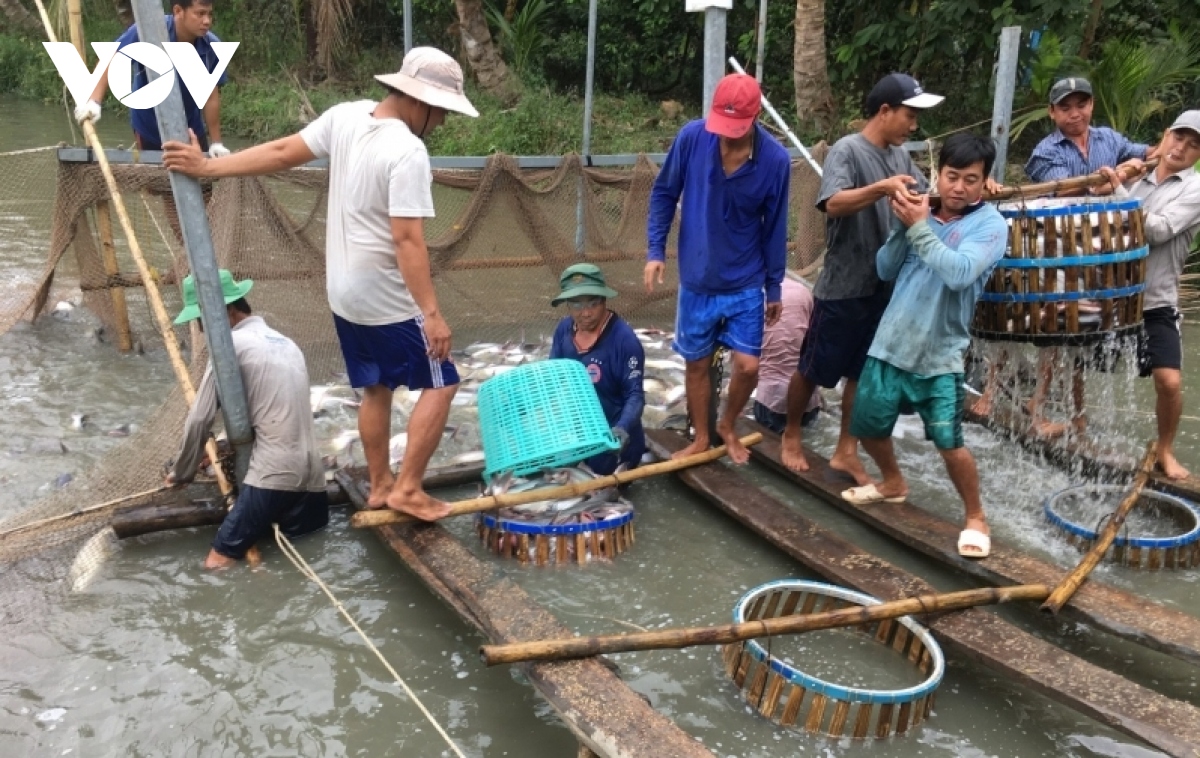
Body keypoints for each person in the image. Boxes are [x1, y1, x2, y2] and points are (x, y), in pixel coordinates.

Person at [163, 46, 478, 520]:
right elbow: (408, 240)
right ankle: (408, 489)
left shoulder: (346, 117)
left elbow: (282, 152)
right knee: (442, 381)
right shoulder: (408, 152)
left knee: (376, 389)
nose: (443, 124)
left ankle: (380, 485)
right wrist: (431, 314)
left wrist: (208, 166)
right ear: (422, 102)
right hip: (385, 296)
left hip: (344, 294)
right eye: (443, 113)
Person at [843, 133, 1008, 559]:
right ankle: (893, 482)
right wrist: (903, 230)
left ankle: (975, 517)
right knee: (867, 425)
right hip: (891, 342)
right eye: (952, 176)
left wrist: (918, 227)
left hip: (940, 354)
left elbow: (959, 273)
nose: (958, 187)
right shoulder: (923, 211)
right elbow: (884, 269)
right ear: (939, 173)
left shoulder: (991, 225)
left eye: (971, 180)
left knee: (948, 442)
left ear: (985, 182)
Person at [780, 73, 943, 481]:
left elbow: (930, 200)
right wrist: (882, 188)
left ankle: (845, 450)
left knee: (862, 372)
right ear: (884, 111)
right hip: (843, 284)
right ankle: (791, 433)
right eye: (909, 115)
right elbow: (832, 203)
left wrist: (973, 190)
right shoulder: (847, 151)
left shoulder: (901, 157)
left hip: (885, 287)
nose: (913, 125)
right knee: (814, 367)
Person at [644, 73, 790, 465]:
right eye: (722, 128)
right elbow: (663, 192)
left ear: (756, 117)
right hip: (696, 277)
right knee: (696, 362)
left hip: (745, 279)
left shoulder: (775, 161)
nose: (727, 136)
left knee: (748, 365)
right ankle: (702, 436)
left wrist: (774, 287)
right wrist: (655, 250)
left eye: (736, 130)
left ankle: (728, 423)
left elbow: (776, 226)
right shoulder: (693, 138)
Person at [166, 270, 328, 569]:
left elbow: (199, 420)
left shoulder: (231, 348)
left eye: (202, 323)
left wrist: (182, 473)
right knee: (306, 557)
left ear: (226, 312)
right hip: (314, 476)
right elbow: (276, 415)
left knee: (216, 564)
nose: (203, 332)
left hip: (273, 475)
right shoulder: (286, 343)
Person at [1099, 110, 1200, 479]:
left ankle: (1165, 449)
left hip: (1156, 300)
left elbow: (1156, 231)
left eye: (1193, 146)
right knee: (1071, 357)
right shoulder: (1136, 173)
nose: (1181, 149)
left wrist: (1120, 191)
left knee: (1169, 381)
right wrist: (1118, 181)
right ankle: (1072, 428)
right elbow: (1100, 213)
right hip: (1113, 296)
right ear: (1166, 135)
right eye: (1178, 138)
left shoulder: (1195, 188)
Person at [75, 0, 230, 156]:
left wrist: (216, 143)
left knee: (199, 174)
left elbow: (210, 97)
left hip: (190, 126)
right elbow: (112, 58)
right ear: (178, 11)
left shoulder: (211, 47)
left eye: (209, 14)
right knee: (155, 175)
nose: (207, 21)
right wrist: (94, 101)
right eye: (200, 14)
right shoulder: (148, 31)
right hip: (148, 124)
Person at [549, 264, 645, 474]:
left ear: (604, 300)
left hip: (611, 440)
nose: (585, 313)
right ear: (567, 305)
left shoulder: (625, 341)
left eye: (593, 304)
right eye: (576, 305)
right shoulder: (564, 330)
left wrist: (623, 427)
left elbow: (635, 394)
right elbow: (553, 379)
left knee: (599, 486)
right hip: (578, 433)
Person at [1024, 77, 1153, 189]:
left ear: (1091, 104)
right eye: (1065, 108)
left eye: (1081, 106)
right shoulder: (1045, 151)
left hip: (1113, 217)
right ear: (1052, 111)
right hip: (1066, 217)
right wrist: (1117, 174)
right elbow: (1064, 189)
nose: (1074, 114)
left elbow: (1146, 153)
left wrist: (1169, 140)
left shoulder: (1109, 138)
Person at [753, 275, 821, 434]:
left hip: (771, 403)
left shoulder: (753, 296)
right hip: (809, 402)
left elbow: (744, 365)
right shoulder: (803, 291)